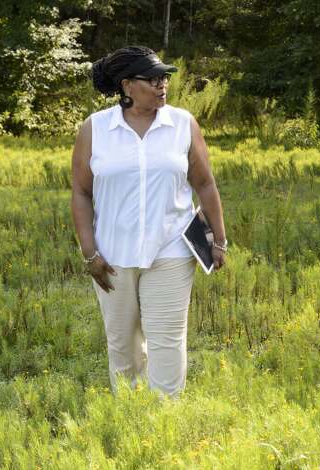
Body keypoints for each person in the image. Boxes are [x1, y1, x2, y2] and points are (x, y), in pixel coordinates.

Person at [71, 46, 228, 397]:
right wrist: (89, 253)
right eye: (153, 79)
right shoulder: (94, 129)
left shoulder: (183, 124)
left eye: (164, 78)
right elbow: (81, 193)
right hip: (112, 256)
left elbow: (204, 183)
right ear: (127, 86)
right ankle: (129, 416)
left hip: (171, 249)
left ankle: (165, 423)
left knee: (168, 343)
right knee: (123, 348)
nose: (162, 85)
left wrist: (219, 240)